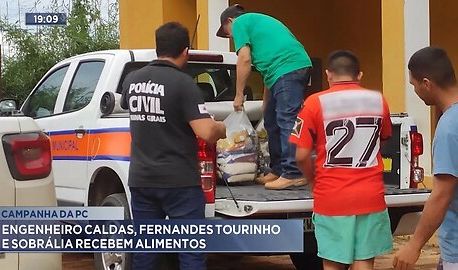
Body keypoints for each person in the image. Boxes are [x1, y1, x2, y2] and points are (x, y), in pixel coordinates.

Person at [120, 22, 226, 270]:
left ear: (158, 48)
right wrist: (222, 127)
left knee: (146, 251)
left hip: (142, 180)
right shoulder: (184, 83)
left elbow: (125, 103)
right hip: (179, 183)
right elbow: (207, 132)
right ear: (185, 51)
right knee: (190, 252)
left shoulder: (133, 80)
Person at [290, 50, 393, 270]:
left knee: (333, 263)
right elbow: (382, 140)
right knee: (364, 260)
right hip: (370, 195)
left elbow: (300, 155)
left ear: (328, 75)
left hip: (332, 197)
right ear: (360, 75)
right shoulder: (378, 100)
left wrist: (312, 180)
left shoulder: (314, 103)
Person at [216, 4, 312, 190]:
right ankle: (277, 170)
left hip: (290, 68)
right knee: (271, 119)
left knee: (286, 119)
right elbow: (269, 71)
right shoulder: (258, 26)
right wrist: (267, 102)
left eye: (227, 32)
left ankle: (293, 173)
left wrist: (238, 95)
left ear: (230, 21)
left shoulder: (240, 22)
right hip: (283, 71)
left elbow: (244, 59)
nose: (231, 37)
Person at [393, 47, 458, 270]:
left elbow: (442, 194)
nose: (416, 91)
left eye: (414, 85)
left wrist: (415, 244)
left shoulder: (449, 127)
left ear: (427, 83)